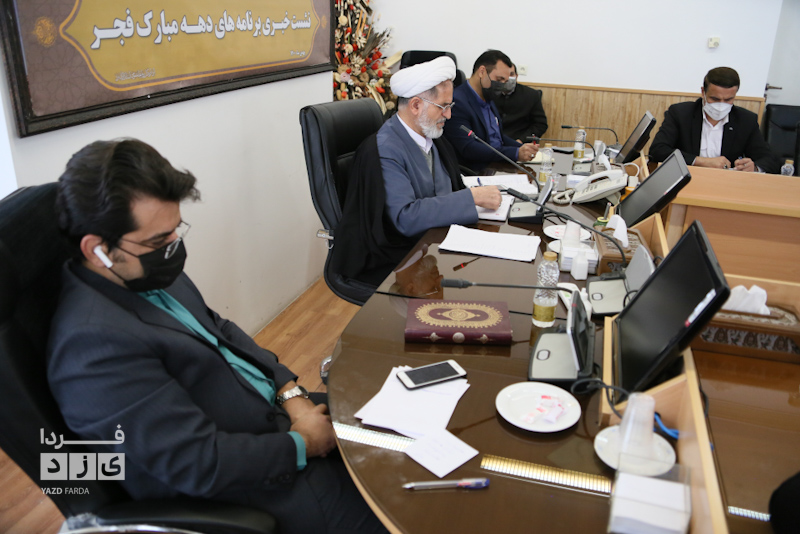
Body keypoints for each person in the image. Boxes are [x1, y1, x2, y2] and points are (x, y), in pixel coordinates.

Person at [47, 139, 386, 534]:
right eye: (158, 241)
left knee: (405, 432)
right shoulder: (92, 348)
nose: (173, 248)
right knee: (407, 512)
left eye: (175, 231)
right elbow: (197, 463)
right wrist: (303, 443)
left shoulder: (142, 272)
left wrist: (290, 395)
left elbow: (220, 330)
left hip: (282, 417)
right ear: (97, 250)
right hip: (263, 483)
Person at [329, 56, 501, 287]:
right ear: (416, 105)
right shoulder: (384, 149)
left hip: (433, 242)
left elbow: (447, 189)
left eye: (450, 106)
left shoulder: (432, 136)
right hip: (398, 257)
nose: (449, 115)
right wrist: (471, 197)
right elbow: (405, 218)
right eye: (443, 107)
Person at [649, 67, 780, 173]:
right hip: (687, 177)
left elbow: (770, 160)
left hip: (725, 183)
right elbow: (658, 150)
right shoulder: (680, 113)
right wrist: (701, 161)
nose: (721, 105)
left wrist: (754, 167)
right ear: (703, 92)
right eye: (715, 99)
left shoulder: (746, 120)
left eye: (728, 99)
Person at [443, 50, 539, 172]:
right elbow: (469, 148)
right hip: (474, 171)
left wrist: (523, 148)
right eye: (499, 79)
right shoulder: (457, 102)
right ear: (482, 72)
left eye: (505, 81)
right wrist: (515, 153)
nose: (502, 86)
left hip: (494, 166)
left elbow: (497, 137)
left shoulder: (488, 96)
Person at [494, 63, 548, 142]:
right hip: (492, 141)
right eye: (504, 75)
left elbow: (540, 124)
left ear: (516, 76)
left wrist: (522, 140)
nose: (507, 78)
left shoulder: (531, 95)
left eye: (511, 74)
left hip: (519, 142)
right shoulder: (490, 93)